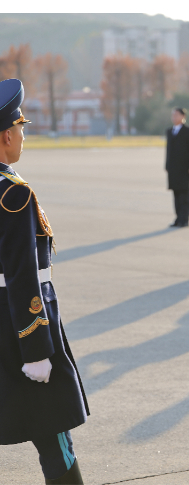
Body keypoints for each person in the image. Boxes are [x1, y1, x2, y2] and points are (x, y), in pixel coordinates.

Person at [0, 78, 88, 484]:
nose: (23, 136)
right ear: (6, 136)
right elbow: (23, 278)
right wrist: (37, 350)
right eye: (20, 128)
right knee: (54, 433)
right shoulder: (13, 194)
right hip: (17, 331)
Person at [165, 107, 189, 228]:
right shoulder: (170, 131)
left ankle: (184, 219)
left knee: (184, 194)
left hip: (184, 168)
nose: (174, 117)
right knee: (176, 194)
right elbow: (168, 150)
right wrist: (167, 165)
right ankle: (178, 218)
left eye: (177, 115)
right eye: (173, 115)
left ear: (183, 117)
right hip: (173, 168)